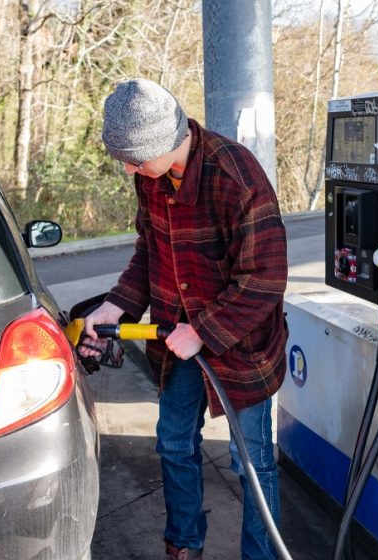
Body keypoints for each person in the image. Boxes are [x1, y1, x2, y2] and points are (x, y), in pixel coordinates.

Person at [79, 78, 288, 560]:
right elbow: (148, 252)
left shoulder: (237, 177)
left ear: (162, 142)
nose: (130, 168)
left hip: (241, 348)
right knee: (174, 444)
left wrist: (205, 330)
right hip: (177, 340)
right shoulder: (150, 177)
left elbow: (266, 277)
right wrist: (115, 306)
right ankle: (183, 545)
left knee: (251, 462)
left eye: (134, 158)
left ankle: (262, 555)